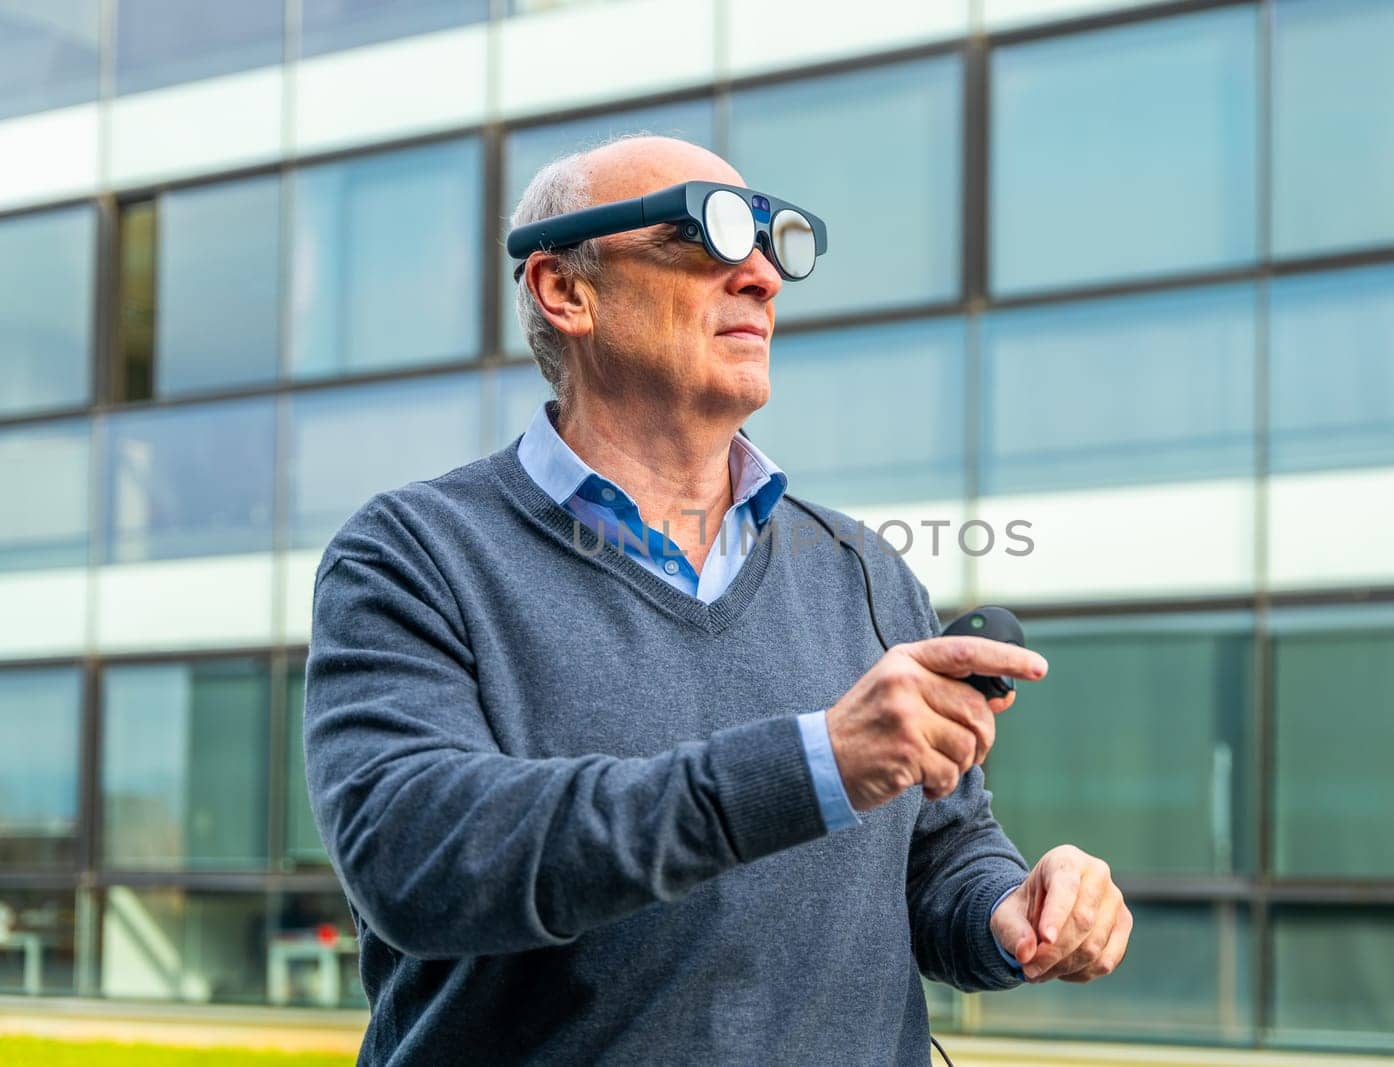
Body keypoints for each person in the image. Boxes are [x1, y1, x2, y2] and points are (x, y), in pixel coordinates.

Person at [303, 132, 1131, 1065]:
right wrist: (812, 763)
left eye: (773, 243)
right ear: (564, 289)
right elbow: (419, 859)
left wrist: (1008, 909)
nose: (763, 277)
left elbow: (941, 849)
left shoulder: (864, 569)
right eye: (711, 235)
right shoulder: (414, 554)